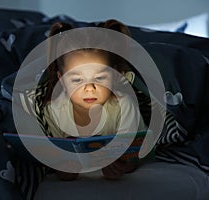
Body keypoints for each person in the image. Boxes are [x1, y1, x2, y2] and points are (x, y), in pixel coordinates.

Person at [35, 20, 147, 181]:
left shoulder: (125, 105)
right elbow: (54, 158)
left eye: (100, 77)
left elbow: (137, 153)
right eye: (77, 80)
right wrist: (62, 169)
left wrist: (123, 165)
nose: (89, 88)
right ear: (62, 80)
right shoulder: (52, 111)